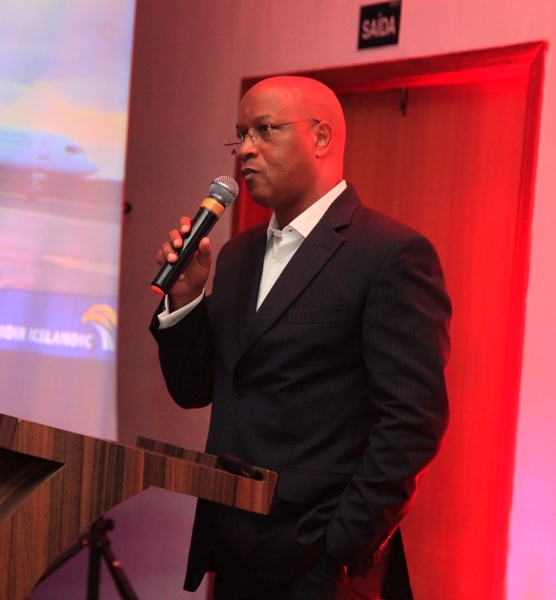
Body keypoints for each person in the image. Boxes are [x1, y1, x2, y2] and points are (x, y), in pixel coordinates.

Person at [150, 76, 451, 599]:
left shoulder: (390, 253)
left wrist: (338, 557)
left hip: (321, 565)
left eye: (265, 130)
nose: (246, 149)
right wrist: (186, 300)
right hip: (234, 554)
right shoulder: (237, 255)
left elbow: (411, 426)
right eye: (241, 135)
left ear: (321, 138)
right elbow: (195, 388)